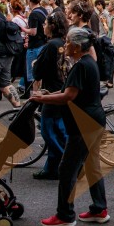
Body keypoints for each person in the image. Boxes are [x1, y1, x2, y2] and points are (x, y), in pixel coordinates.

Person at [33, 27, 109, 226]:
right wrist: (49, 94)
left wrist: (43, 98)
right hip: (94, 121)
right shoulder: (88, 63)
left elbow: (68, 96)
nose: (64, 45)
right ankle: (99, 209)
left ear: (76, 47)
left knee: (67, 169)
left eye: (67, 43)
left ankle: (65, 216)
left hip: (82, 125)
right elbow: (70, 90)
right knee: (92, 166)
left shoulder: (80, 66)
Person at [31, 10, 70, 180]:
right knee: (59, 130)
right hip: (61, 88)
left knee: (48, 131)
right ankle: (51, 168)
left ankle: (68, 162)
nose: (43, 26)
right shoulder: (62, 42)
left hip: (52, 91)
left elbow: (38, 71)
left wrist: (34, 64)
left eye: (45, 24)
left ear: (52, 26)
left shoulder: (50, 46)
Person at [23, 0, 49, 95]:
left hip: (34, 46)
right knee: (41, 74)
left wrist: (22, 28)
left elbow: (33, 32)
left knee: (34, 75)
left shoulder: (33, 14)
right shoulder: (43, 10)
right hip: (43, 43)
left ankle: (35, 96)